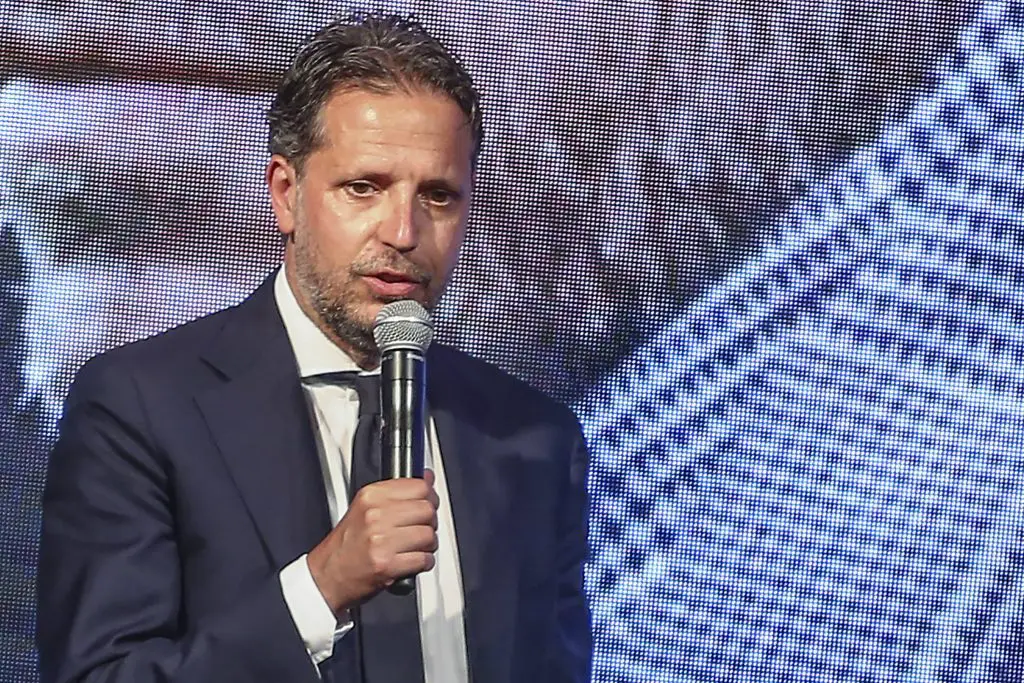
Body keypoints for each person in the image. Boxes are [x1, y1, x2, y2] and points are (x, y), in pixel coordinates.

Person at [35, 12, 592, 683]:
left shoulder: (531, 439)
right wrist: (322, 585)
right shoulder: (140, 407)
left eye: (438, 196)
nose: (403, 230)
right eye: (364, 187)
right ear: (286, 195)